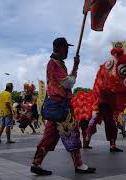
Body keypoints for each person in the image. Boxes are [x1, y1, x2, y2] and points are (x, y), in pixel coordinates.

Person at [30, 37, 96, 175]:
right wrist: (76, 67)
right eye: (65, 47)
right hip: (61, 105)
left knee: (50, 136)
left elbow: (68, 80)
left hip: (56, 105)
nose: (67, 50)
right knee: (72, 132)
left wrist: (75, 66)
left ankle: (36, 163)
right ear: (59, 48)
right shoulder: (54, 64)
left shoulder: (58, 63)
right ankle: (78, 165)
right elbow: (68, 82)